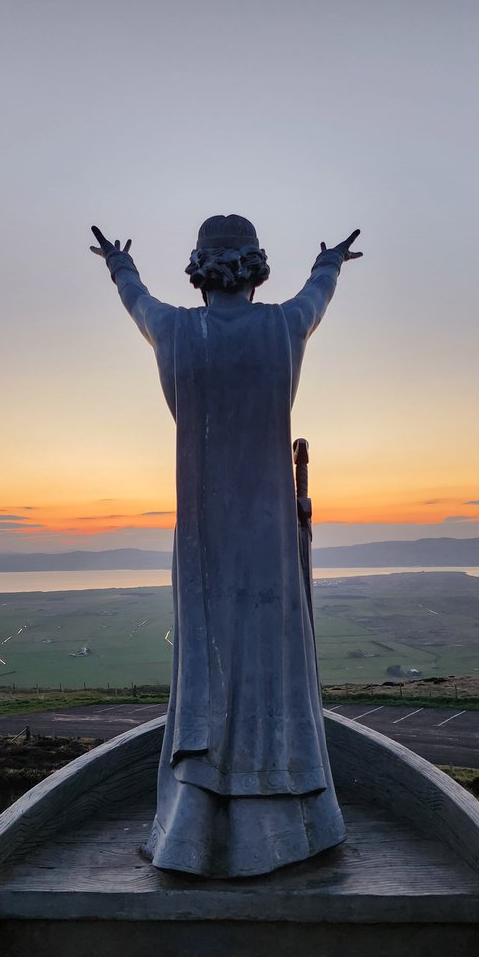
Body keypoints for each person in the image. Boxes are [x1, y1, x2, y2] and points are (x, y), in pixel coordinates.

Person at [91, 215, 362, 877]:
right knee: (270, 663)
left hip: (207, 538)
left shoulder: (180, 332)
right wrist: (327, 261)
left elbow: (139, 303)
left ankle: (197, 822)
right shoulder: (281, 327)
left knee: (212, 668)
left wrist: (119, 266)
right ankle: (288, 819)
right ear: (255, 267)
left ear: (201, 270)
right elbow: (316, 298)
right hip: (267, 533)